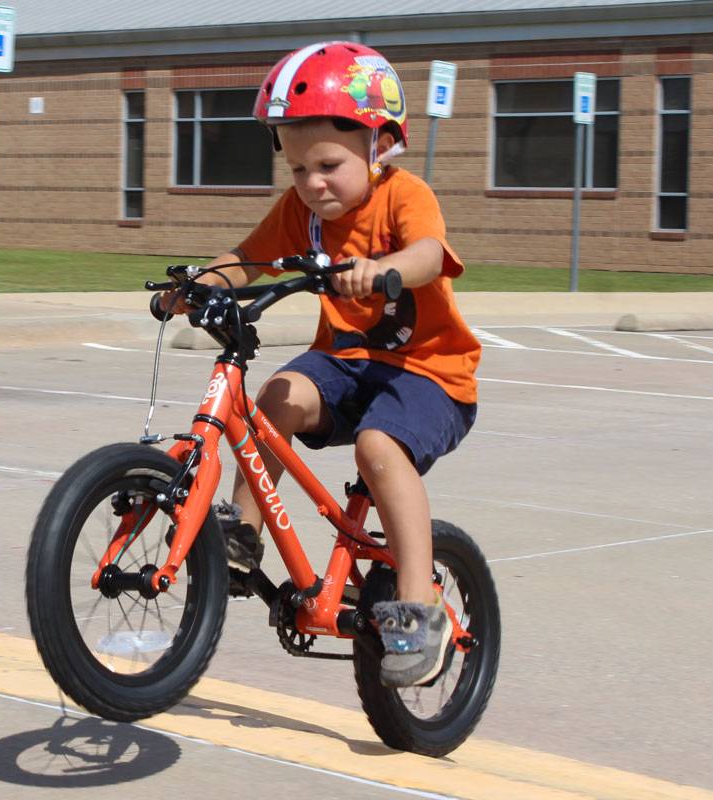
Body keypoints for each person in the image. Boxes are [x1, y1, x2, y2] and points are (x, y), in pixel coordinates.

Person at [160, 41, 480, 688]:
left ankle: (419, 607)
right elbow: (247, 259)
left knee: (378, 448)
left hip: (429, 373)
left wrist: (384, 270)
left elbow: (428, 253)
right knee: (277, 395)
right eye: (298, 167)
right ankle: (242, 536)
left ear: (379, 145)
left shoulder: (403, 195)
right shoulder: (300, 213)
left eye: (329, 165)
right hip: (345, 362)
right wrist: (197, 285)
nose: (312, 183)